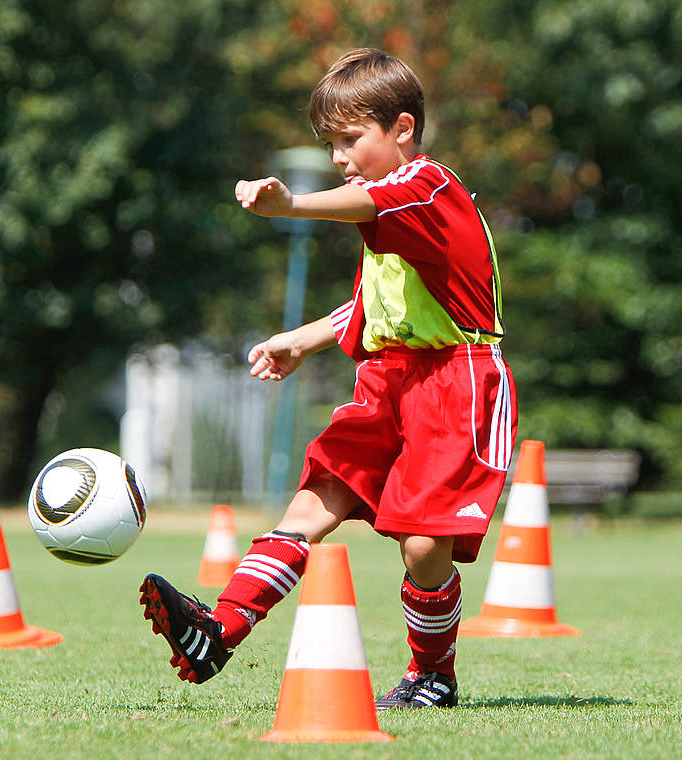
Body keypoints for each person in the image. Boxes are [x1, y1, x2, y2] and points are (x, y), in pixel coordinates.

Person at [138, 47, 517, 710]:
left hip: (457, 382)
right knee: (313, 504)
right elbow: (381, 302)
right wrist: (305, 340)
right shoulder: (390, 222)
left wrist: (289, 206)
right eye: (330, 143)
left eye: (350, 139)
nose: (340, 155)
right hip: (387, 378)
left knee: (424, 545)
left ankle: (433, 675)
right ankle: (218, 630)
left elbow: (365, 201)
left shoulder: (427, 188)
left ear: (402, 130)